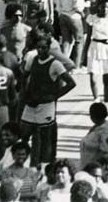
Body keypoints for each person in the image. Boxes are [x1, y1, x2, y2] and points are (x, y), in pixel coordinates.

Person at [20, 35, 76, 167]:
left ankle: (43, 165)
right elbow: (24, 77)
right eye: (38, 47)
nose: (41, 50)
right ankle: (25, 163)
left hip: (45, 106)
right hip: (31, 104)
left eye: (44, 48)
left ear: (49, 48)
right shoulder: (32, 60)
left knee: (43, 138)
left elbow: (71, 83)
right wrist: (24, 93)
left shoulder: (55, 64)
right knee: (24, 134)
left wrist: (54, 96)